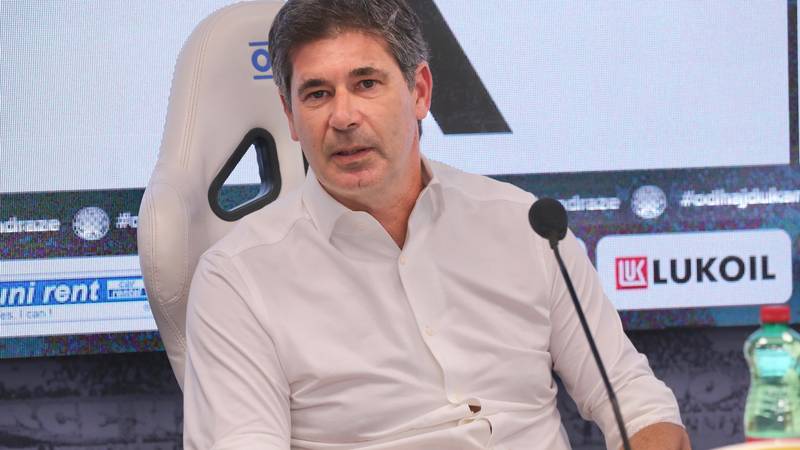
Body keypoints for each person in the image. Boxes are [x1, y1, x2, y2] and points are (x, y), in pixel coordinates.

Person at [182, 1, 691, 449]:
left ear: (420, 91)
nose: (343, 117)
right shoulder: (237, 279)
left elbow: (632, 398)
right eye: (316, 94)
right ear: (290, 116)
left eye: (366, 83)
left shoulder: (525, 225)